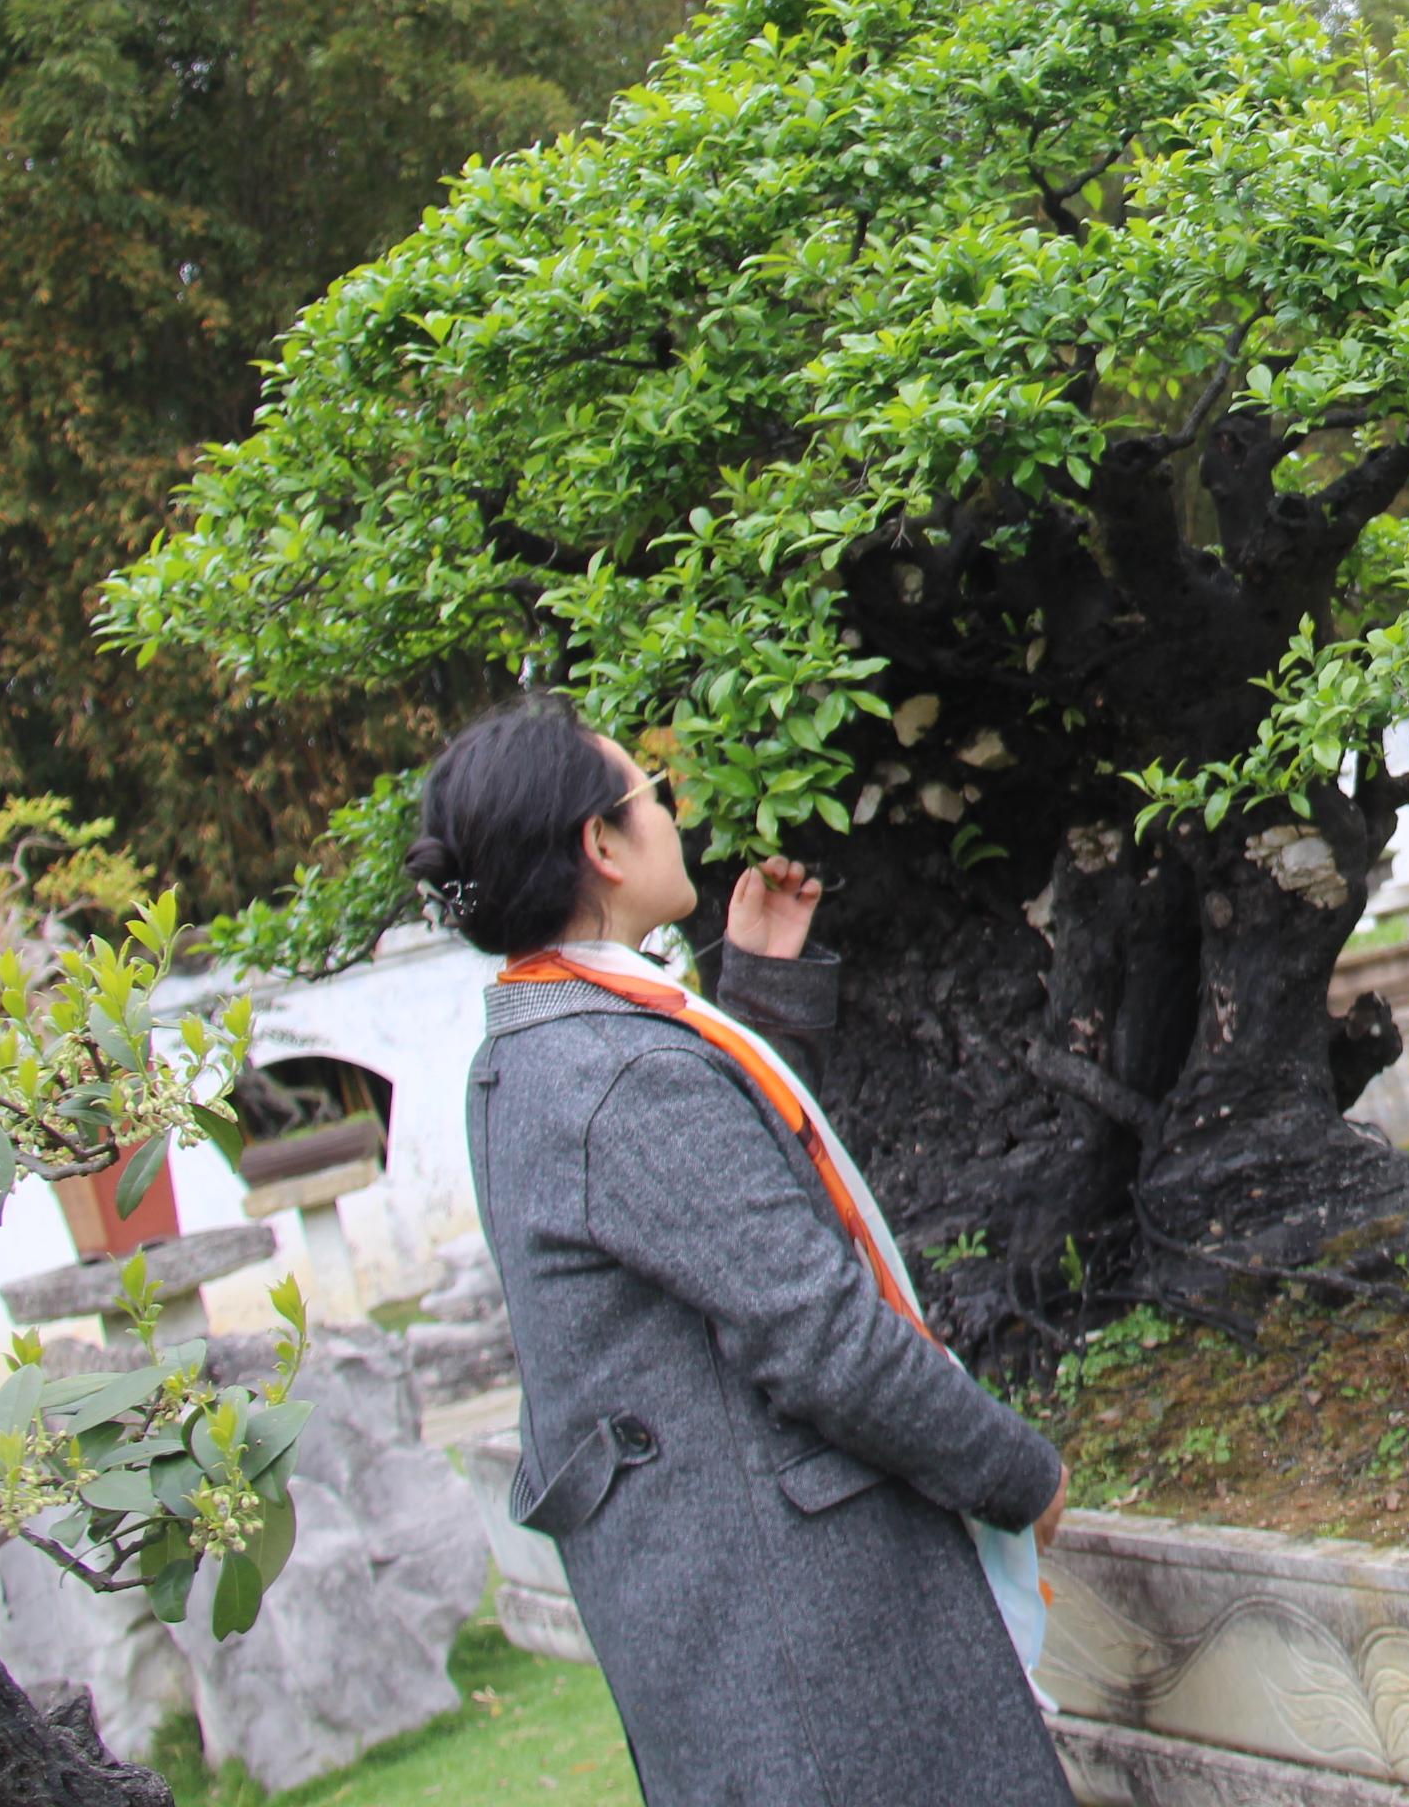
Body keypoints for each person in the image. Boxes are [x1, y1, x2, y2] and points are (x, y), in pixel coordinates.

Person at [410, 694, 1070, 1806]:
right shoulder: (619, 1077)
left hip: (735, 1636)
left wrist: (754, 993)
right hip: (808, 1657)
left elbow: (701, 1206)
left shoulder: (541, 1048)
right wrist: (1015, 1474)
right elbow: (819, 1333)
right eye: (646, 795)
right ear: (601, 846)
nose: (670, 812)